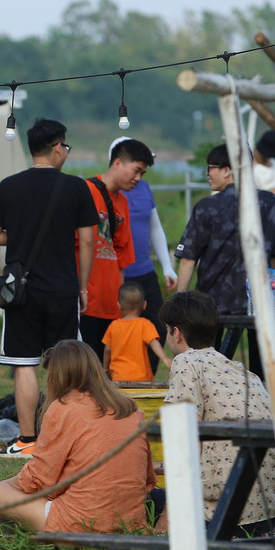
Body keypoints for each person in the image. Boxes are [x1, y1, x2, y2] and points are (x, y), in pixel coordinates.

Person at [0, 118, 97, 460]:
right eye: (66, 147)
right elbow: (88, 241)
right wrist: (83, 286)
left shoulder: (9, 186)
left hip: (22, 292)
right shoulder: (77, 188)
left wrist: (18, 237)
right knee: (65, 364)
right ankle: (65, 436)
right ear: (57, 148)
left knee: (24, 364)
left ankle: (28, 439)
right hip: (62, 288)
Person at [0, 340, 155, 534]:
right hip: (130, 522)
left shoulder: (63, 408)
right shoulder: (131, 410)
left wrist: (3, 487)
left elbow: (39, 481)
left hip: (80, 524)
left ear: (56, 376)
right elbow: (148, 479)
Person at [159, 292, 275, 536]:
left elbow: (186, 441)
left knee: (144, 499)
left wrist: (168, 517)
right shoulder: (240, 371)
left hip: (227, 515)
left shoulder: (185, 362)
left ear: (176, 333)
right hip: (270, 511)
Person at [174, 144, 275, 314]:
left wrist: (180, 304)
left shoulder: (206, 207)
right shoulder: (271, 202)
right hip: (259, 301)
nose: (207, 173)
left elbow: (187, 259)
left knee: (213, 342)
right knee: (259, 340)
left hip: (213, 304)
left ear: (226, 170)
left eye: (210, 168)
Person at [79, 138, 151, 357]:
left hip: (111, 301)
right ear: (118, 163)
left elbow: (121, 254)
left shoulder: (122, 203)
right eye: (136, 170)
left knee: (108, 367)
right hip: (86, 300)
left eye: (142, 174)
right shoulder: (85, 191)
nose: (138, 179)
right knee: (84, 364)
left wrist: (119, 300)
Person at [112, 137, 176, 356]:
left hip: (145, 271)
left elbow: (155, 228)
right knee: (118, 329)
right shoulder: (110, 190)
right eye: (136, 167)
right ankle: (118, 375)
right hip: (118, 273)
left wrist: (167, 266)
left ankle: (146, 372)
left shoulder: (144, 187)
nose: (138, 176)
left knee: (157, 325)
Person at [102, 281, 170, 382]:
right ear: (144, 305)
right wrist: (164, 358)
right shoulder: (145, 324)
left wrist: (105, 368)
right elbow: (154, 343)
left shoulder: (113, 326)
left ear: (119, 305)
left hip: (118, 377)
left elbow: (107, 350)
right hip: (141, 378)